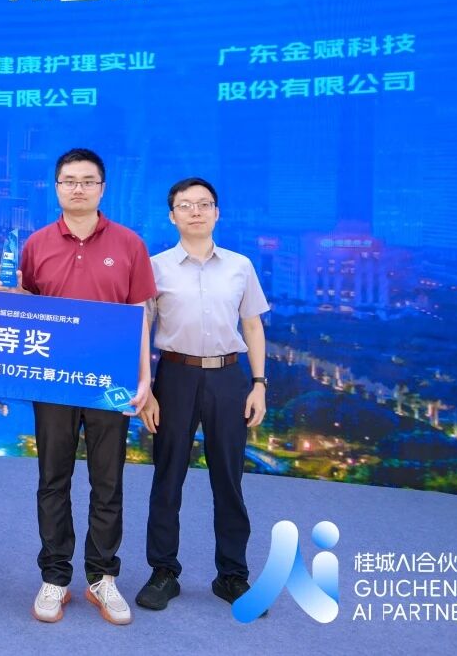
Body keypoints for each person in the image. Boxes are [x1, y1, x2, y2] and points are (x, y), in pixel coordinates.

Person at [20, 148, 156, 625]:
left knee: (108, 480)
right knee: (52, 479)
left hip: (109, 383)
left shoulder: (130, 244)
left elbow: (140, 315)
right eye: (69, 180)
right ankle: (55, 577)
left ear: (102, 188)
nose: (78, 188)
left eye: (87, 181)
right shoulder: (36, 244)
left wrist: (145, 377)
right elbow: (25, 312)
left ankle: (102, 577)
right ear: (56, 187)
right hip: (53, 381)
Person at [134, 177, 269, 612]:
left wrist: (259, 384)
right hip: (175, 376)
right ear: (172, 216)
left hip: (229, 378)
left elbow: (252, 325)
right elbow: (140, 331)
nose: (196, 211)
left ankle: (232, 575)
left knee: (229, 479)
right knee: (167, 476)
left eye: (204, 204)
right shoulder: (154, 267)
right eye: (186, 205)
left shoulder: (240, 266)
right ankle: (163, 572)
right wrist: (146, 390)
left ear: (217, 213)